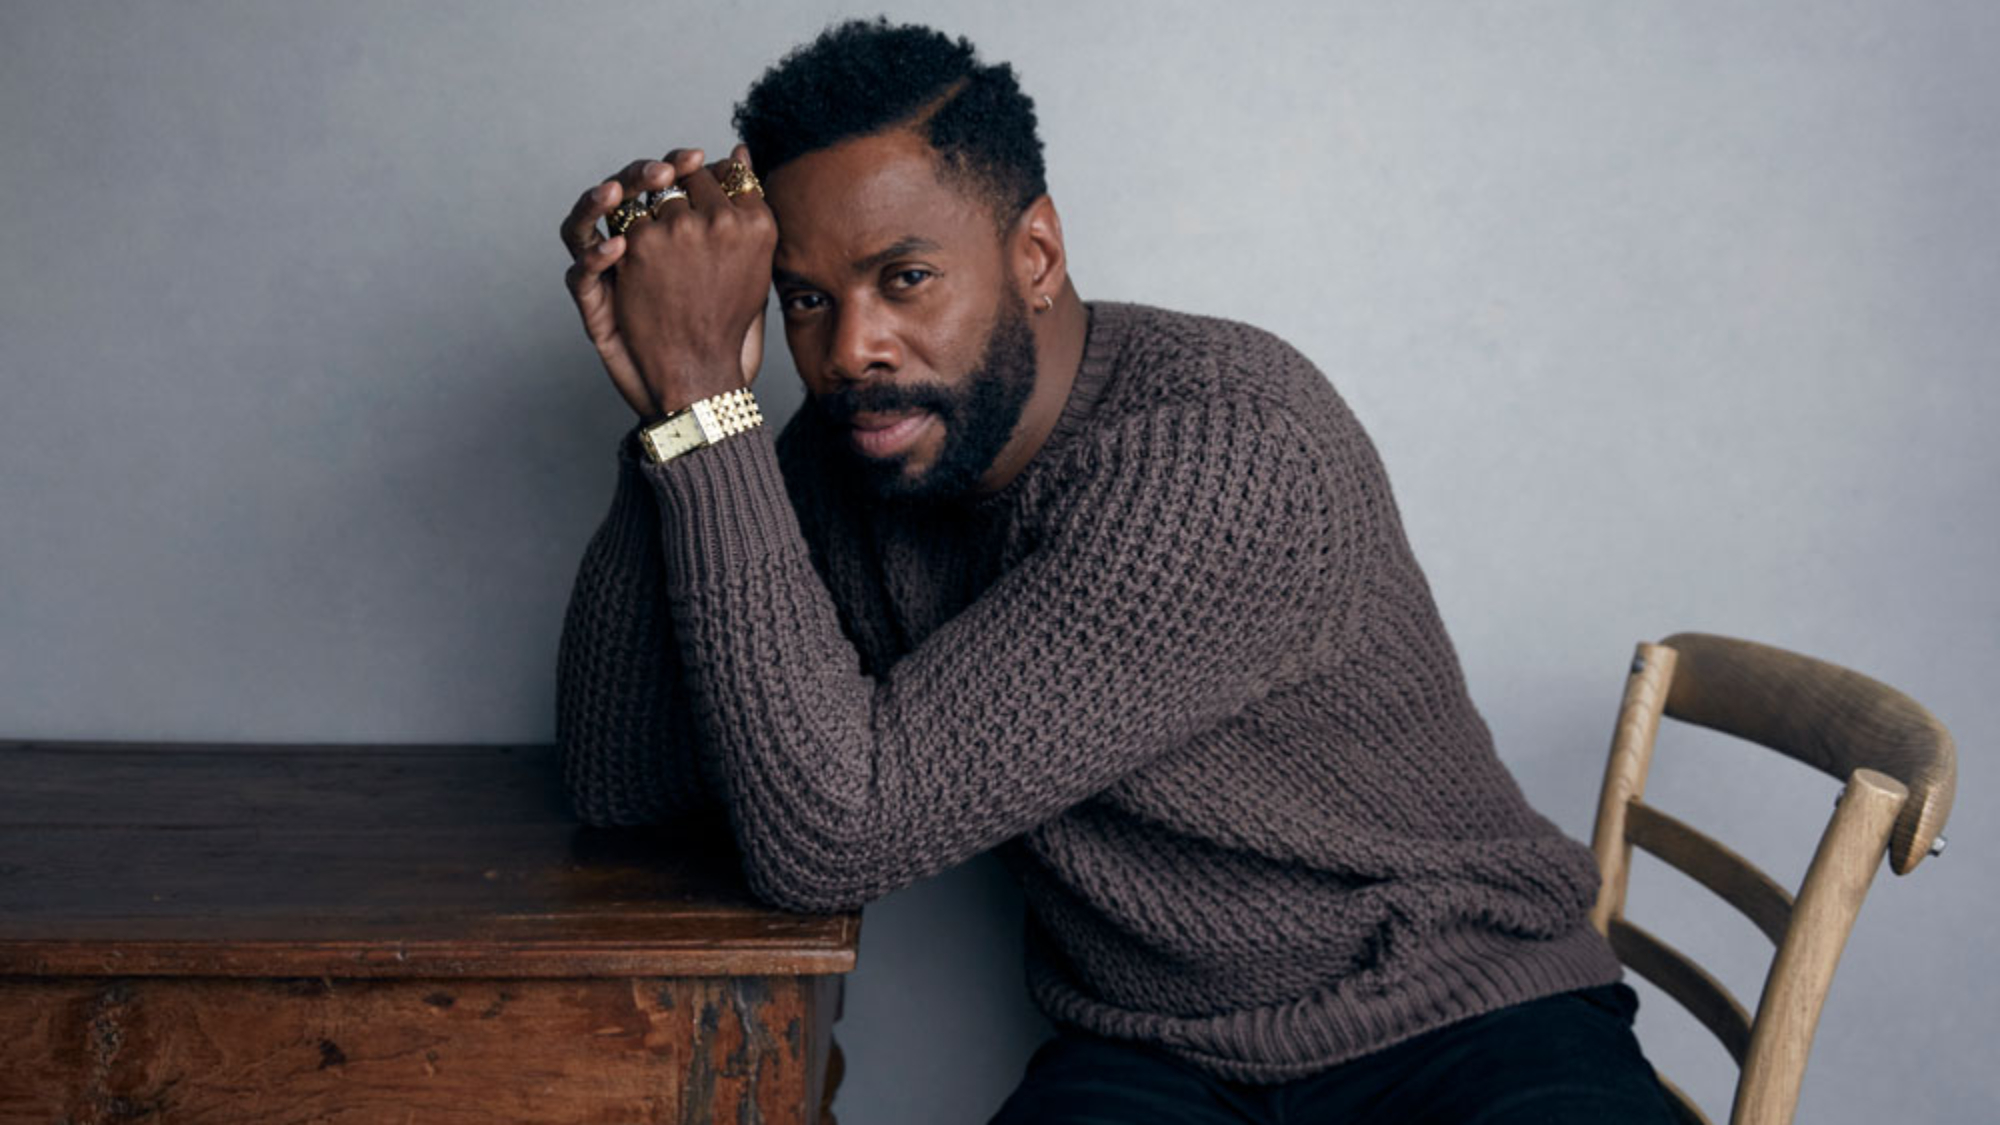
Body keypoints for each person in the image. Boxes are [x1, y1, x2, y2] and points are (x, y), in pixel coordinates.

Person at [553, 17, 1677, 1124]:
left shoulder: (1224, 449)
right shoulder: (856, 445)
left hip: (1459, 1020)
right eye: (804, 299)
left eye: (904, 278)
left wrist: (708, 410)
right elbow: (626, 783)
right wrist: (677, 411)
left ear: (1033, 257)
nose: (850, 351)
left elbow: (834, 835)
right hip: (1160, 1059)